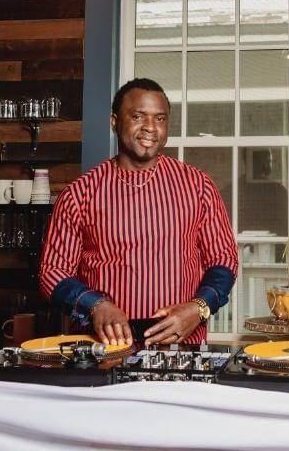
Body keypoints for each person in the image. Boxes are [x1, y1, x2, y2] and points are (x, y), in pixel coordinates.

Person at [38, 78, 239, 346]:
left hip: (181, 349)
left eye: (160, 118)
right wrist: (96, 306)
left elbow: (224, 260)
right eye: (137, 116)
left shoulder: (197, 185)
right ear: (114, 121)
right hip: (103, 349)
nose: (150, 128)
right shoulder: (79, 194)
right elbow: (53, 272)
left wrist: (198, 307)